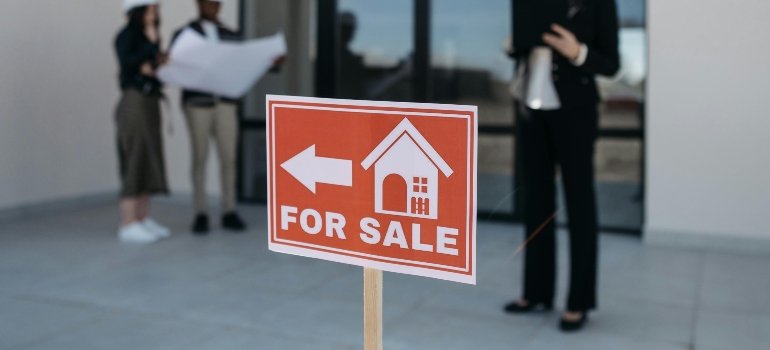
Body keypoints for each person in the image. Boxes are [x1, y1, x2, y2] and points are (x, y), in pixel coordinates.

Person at [503, 0, 620, 332]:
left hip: (575, 113)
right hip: (530, 110)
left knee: (579, 203)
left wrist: (577, 51)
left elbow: (611, 64)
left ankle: (578, 301)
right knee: (535, 203)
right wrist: (514, 43)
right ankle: (535, 293)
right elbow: (520, 51)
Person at [171, 0, 247, 235]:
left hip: (225, 104)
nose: (211, 5)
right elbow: (174, 63)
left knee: (229, 158)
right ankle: (200, 212)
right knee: (200, 157)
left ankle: (229, 210)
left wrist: (272, 63)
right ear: (198, 4)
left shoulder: (232, 35)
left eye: (215, 2)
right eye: (207, 2)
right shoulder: (185, 34)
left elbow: (244, 64)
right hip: (198, 104)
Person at [114, 0, 171, 244]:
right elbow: (129, 63)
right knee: (135, 158)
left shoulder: (151, 36)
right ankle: (128, 223)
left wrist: (155, 51)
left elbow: (152, 66)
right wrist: (150, 50)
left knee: (149, 157)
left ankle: (142, 218)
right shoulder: (126, 36)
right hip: (134, 103)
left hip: (150, 101)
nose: (155, 12)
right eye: (151, 8)